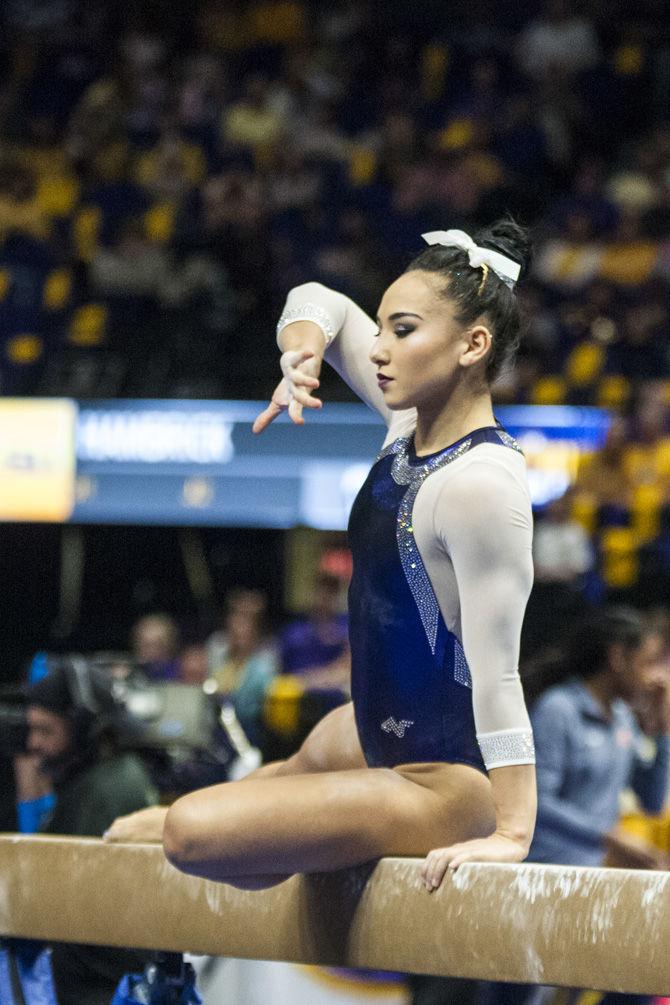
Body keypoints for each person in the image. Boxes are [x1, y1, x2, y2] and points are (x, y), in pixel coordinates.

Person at [106, 219, 537, 895]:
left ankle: (261, 827)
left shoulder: (481, 485)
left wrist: (510, 833)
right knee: (253, 795)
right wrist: (302, 354)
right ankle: (286, 822)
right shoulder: (406, 429)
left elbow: (498, 675)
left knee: (191, 833)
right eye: (385, 329)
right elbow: (322, 302)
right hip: (369, 730)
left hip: (447, 780)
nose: (382, 351)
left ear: (472, 345)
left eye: (403, 330)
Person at [481, 607, 670, 1005]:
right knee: (521, 996)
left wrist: (663, 728)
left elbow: (652, 801)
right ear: (617, 658)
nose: (657, 675)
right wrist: (610, 837)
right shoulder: (559, 709)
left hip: (591, 879)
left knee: (636, 985)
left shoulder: (622, 717)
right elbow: (539, 802)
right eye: (648, 662)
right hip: (543, 877)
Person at [22, 662, 158, 1005]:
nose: (32, 743)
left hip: (100, 991)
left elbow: (53, 900)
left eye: (45, 730)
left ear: (83, 727)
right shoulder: (94, 779)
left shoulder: (109, 790)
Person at [207, 588, 278, 746]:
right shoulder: (217, 645)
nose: (240, 627)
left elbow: (265, 692)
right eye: (237, 617)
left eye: (247, 620)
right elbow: (211, 682)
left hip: (250, 726)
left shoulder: (266, 656)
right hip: (216, 723)